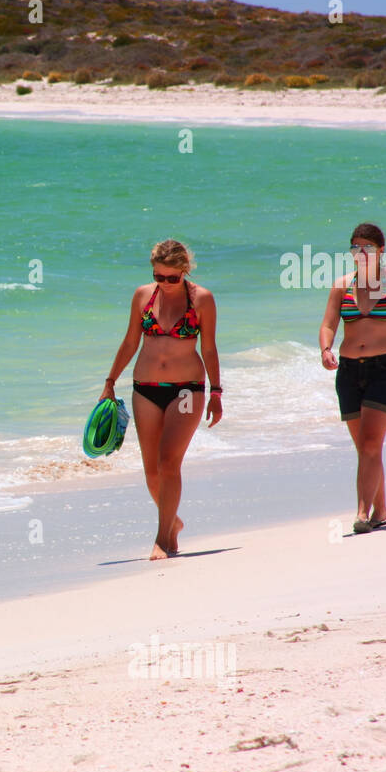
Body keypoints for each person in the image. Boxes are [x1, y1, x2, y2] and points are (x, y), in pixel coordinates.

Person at [102, 239, 222, 560]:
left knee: (169, 463)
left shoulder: (202, 300)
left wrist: (216, 391)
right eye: (159, 277)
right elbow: (130, 341)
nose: (166, 284)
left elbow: (208, 348)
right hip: (145, 388)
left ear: (185, 271)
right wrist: (110, 381)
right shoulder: (143, 296)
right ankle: (173, 522)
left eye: (173, 278)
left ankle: (163, 539)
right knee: (152, 472)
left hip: (186, 389)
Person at [319, 222, 386, 533]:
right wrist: (325, 349)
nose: (361, 253)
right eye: (355, 247)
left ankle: (362, 514)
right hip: (349, 371)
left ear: (381, 251)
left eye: (368, 247)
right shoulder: (342, 285)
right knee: (365, 447)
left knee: (369, 444)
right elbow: (328, 324)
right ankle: (382, 509)